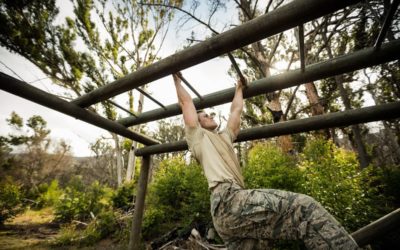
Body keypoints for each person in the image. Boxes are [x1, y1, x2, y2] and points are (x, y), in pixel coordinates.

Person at [172, 72, 360, 250]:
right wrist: (177, 81)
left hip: (229, 212)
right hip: (227, 200)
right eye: (205, 115)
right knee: (304, 208)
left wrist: (239, 88)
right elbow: (186, 102)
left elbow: (235, 111)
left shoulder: (225, 137)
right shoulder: (197, 137)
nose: (211, 115)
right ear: (197, 122)